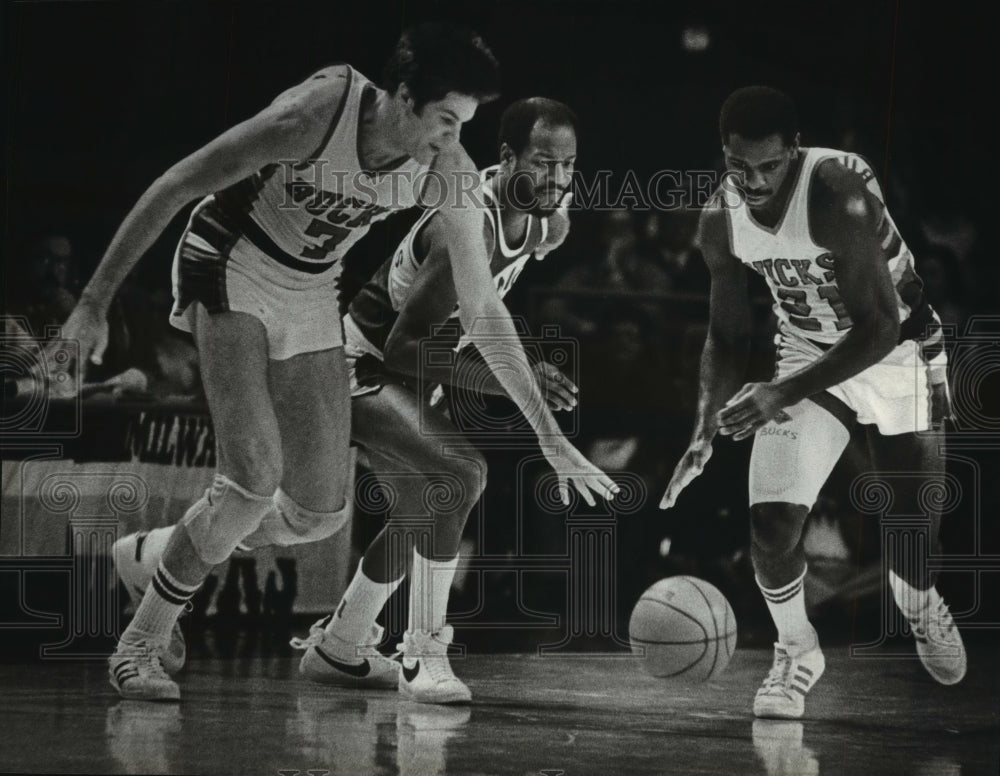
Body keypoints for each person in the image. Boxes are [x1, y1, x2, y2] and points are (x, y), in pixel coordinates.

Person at [57, 23, 613, 703]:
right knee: (252, 480)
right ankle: (140, 643)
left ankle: (156, 556)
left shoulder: (449, 169)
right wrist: (91, 303)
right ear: (403, 97)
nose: (450, 138)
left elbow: (485, 315)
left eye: (463, 124)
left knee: (318, 513)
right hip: (232, 258)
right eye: (444, 120)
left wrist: (551, 441)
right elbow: (176, 184)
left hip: (313, 285)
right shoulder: (315, 115)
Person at [660, 86, 966, 719]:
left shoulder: (836, 193)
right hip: (807, 357)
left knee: (910, 542)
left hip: (900, 351)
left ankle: (920, 604)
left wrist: (776, 393)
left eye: (769, 167)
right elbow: (727, 334)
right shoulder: (720, 217)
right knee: (771, 526)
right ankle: (797, 650)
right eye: (738, 167)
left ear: (793, 152)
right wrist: (702, 431)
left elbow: (879, 326)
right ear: (724, 155)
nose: (753, 181)